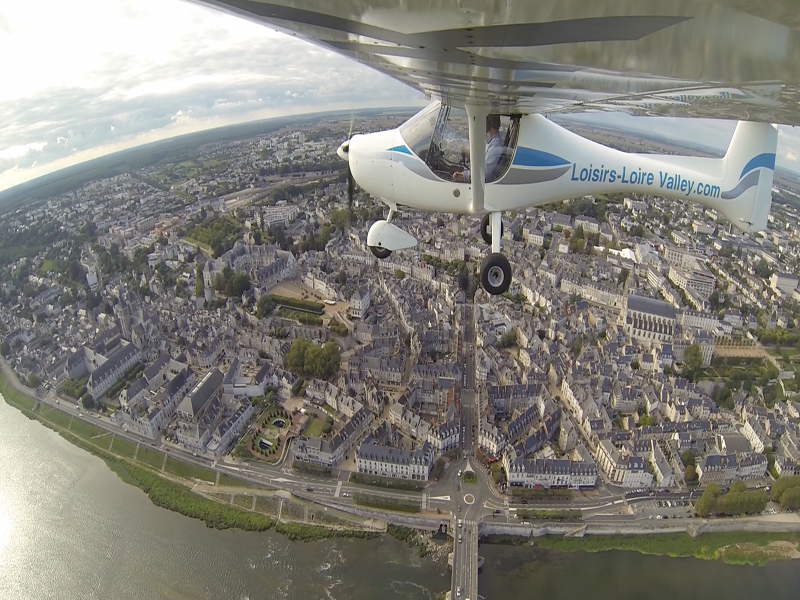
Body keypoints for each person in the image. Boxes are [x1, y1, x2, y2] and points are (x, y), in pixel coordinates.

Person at [455, 114, 504, 183]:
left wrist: (463, 175)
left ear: (488, 125)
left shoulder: (495, 145)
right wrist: (470, 153)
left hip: (486, 182)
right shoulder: (491, 142)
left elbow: (484, 173)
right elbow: (483, 156)